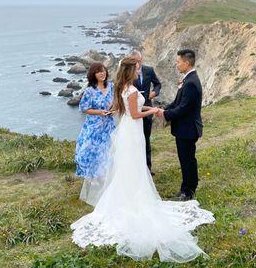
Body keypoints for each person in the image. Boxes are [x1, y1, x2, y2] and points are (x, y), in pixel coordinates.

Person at [71, 57, 215, 263]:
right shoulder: (129, 91)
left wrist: (155, 110)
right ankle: (133, 197)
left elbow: (131, 111)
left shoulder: (124, 88)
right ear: (130, 71)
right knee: (134, 164)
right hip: (133, 131)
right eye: (137, 69)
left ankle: (132, 192)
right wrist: (154, 110)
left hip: (131, 131)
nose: (140, 71)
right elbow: (135, 114)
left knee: (134, 165)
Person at [157, 49, 202, 201]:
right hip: (185, 128)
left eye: (178, 62)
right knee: (186, 158)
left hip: (187, 129)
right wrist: (164, 109)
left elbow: (183, 108)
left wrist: (165, 114)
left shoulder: (190, 83)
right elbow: (177, 102)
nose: (177, 65)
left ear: (186, 63)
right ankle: (188, 187)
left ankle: (188, 191)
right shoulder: (188, 79)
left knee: (187, 159)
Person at [75, 62, 116, 206]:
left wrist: (113, 109)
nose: (102, 74)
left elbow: (116, 102)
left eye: (103, 71)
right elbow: (83, 108)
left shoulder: (111, 86)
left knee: (106, 151)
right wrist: (99, 112)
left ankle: (103, 178)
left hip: (108, 125)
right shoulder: (90, 91)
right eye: (98, 72)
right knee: (90, 151)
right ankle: (93, 177)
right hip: (94, 126)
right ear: (93, 74)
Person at [131, 50, 161, 174]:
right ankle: (136, 168)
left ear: (141, 60)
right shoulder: (130, 74)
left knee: (146, 139)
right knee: (134, 140)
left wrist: (154, 93)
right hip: (134, 110)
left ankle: (147, 168)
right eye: (134, 61)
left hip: (147, 106)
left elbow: (158, 84)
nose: (137, 64)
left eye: (139, 61)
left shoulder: (149, 70)